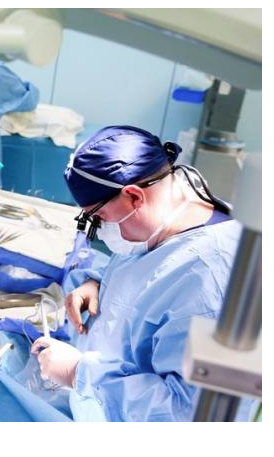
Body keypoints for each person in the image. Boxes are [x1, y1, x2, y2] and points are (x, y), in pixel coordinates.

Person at [31, 125, 249, 421]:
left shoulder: (212, 283)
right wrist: (99, 282)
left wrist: (79, 373)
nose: (102, 231)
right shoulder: (162, 221)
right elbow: (148, 272)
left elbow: (190, 417)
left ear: (134, 196)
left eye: (99, 218)